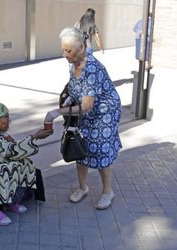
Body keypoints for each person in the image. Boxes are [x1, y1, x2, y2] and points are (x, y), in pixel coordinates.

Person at [44, 27, 122, 209]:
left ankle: (107, 192)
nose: (64, 54)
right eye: (63, 49)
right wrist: (69, 99)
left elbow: (87, 106)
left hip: (104, 112)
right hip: (83, 110)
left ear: (81, 47)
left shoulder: (92, 68)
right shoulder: (73, 62)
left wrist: (58, 112)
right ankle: (82, 188)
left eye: (68, 50)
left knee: (101, 149)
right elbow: (74, 88)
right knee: (79, 145)